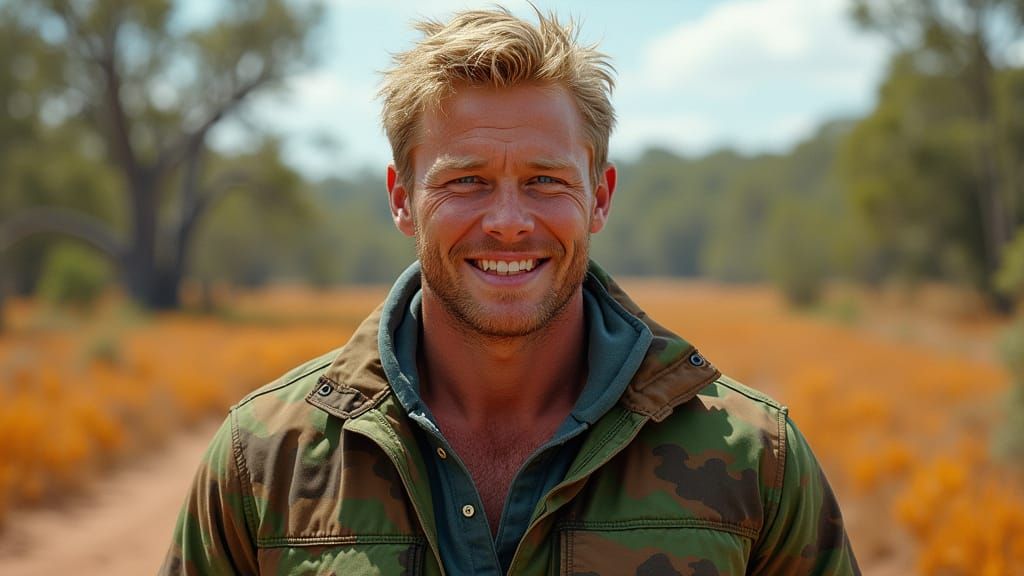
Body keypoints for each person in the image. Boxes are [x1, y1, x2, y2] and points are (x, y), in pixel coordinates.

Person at [160, 7, 859, 575]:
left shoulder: (754, 460)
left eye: (545, 180)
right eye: (465, 181)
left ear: (599, 198)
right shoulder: (264, 458)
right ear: (402, 199)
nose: (508, 222)